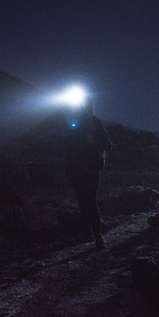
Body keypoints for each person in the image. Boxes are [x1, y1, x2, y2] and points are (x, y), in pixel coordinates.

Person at [62, 99, 112, 250]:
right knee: (83, 201)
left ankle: (97, 236)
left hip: (90, 168)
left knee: (89, 200)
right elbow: (67, 145)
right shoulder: (74, 123)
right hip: (78, 168)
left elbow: (108, 145)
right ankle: (88, 233)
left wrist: (93, 141)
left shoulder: (95, 124)